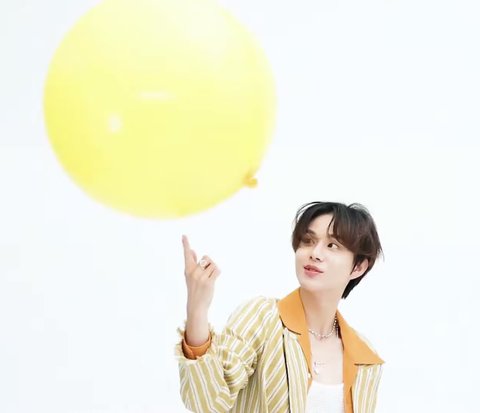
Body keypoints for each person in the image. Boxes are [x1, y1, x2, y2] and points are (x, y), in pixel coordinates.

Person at [175, 201, 385, 413]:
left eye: (332, 245)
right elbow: (207, 402)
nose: (315, 253)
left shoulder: (364, 358)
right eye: (308, 240)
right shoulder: (262, 318)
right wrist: (197, 309)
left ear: (358, 267)